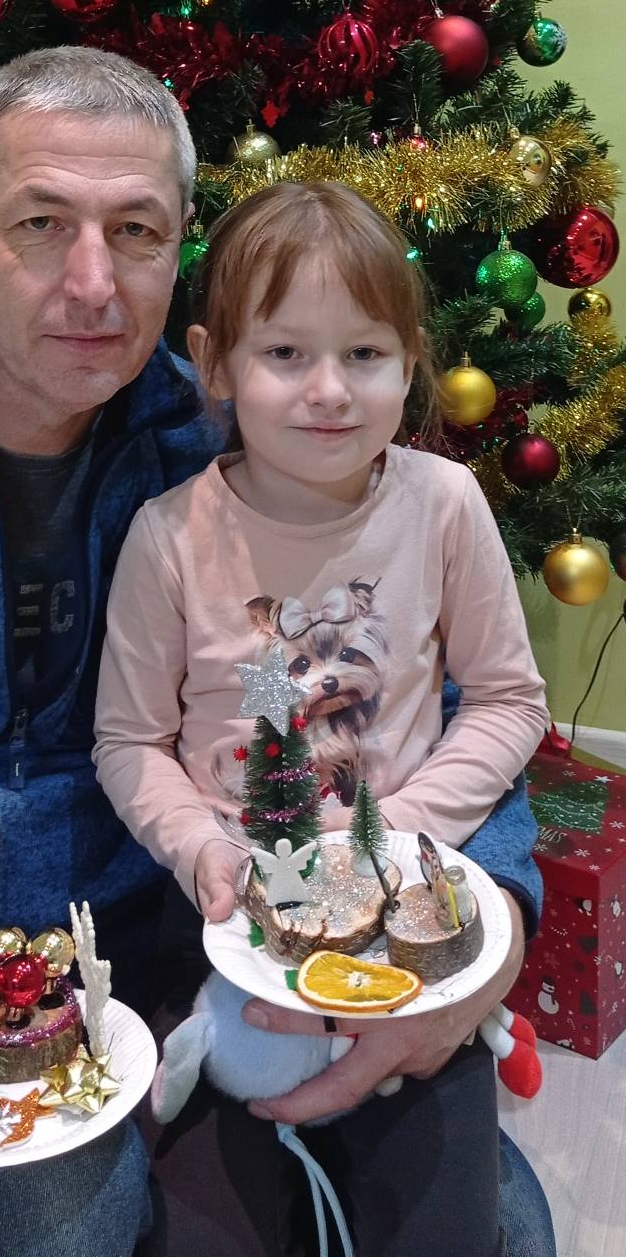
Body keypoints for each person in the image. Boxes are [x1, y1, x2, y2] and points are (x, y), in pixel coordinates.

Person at [0, 52, 552, 1257]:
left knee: (492, 1224)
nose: (92, 282)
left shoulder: (229, 439)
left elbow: (438, 695)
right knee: (66, 1232)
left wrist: (490, 924)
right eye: (40, 223)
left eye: (137, 231)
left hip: (142, 956)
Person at [95, 181, 550, 1257]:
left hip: (405, 921)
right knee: (204, 1230)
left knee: (446, 1227)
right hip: (228, 933)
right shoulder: (168, 538)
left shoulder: (444, 506)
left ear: (411, 360)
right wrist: (199, 847)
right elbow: (128, 740)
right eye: (285, 353)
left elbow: (507, 700)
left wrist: (396, 836)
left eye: (365, 353)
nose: (330, 390)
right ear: (213, 364)